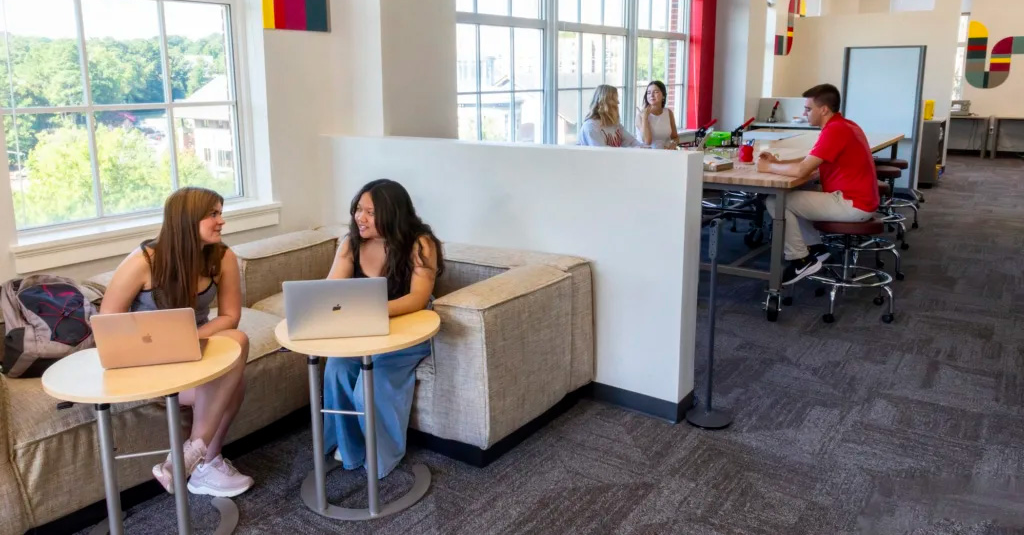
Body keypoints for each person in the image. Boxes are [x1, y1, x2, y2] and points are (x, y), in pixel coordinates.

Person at [100, 187, 253, 497]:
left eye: (220, 213)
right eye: (213, 214)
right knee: (231, 382)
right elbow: (107, 323)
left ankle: (191, 456)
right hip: (148, 359)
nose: (221, 221)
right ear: (186, 219)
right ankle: (206, 462)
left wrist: (188, 339)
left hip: (194, 349)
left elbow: (230, 318)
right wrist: (172, 342)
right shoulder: (144, 261)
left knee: (237, 340)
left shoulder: (222, 256)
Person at [323, 179, 444, 479]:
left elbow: (417, 298)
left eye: (370, 212)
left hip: (406, 333)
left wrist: (369, 311)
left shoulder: (420, 243)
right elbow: (330, 291)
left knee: (370, 386)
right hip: (364, 332)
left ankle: (382, 458)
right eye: (358, 210)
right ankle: (351, 450)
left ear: (392, 214)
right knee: (336, 369)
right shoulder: (351, 243)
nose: (360, 218)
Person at [756, 83, 879, 285]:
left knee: (775, 201)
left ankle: (800, 259)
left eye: (808, 109)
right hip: (859, 198)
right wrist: (778, 163)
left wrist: (767, 168)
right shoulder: (844, 125)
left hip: (852, 203)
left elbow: (803, 170)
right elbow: (811, 161)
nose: (805, 113)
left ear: (823, 109)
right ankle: (815, 249)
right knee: (799, 191)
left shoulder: (835, 130)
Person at [577, 85, 646, 148]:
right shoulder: (591, 127)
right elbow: (603, 154)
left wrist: (646, 149)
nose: (618, 102)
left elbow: (631, 142)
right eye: (614, 99)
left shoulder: (614, 123)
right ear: (604, 102)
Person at [635, 81, 680, 149]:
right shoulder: (640, 116)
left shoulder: (668, 113)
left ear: (663, 95)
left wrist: (672, 145)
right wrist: (645, 118)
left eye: (656, 92)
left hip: (666, 154)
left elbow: (675, 137)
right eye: (649, 93)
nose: (651, 95)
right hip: (646, 155)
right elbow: (647, 141)